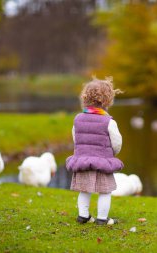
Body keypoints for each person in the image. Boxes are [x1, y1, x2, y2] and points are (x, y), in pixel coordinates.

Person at [66, 77, 124, 225]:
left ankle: (83, 216)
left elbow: (76, 138)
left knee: (84, 189)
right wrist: (111, 154)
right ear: (107, 100)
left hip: (83, 161)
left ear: (85, 98)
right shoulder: (109, 122)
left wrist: (83, 150)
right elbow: (117, 142)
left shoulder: (78, 119)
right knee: (105, 190)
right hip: (102, 163)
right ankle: (102, 219)